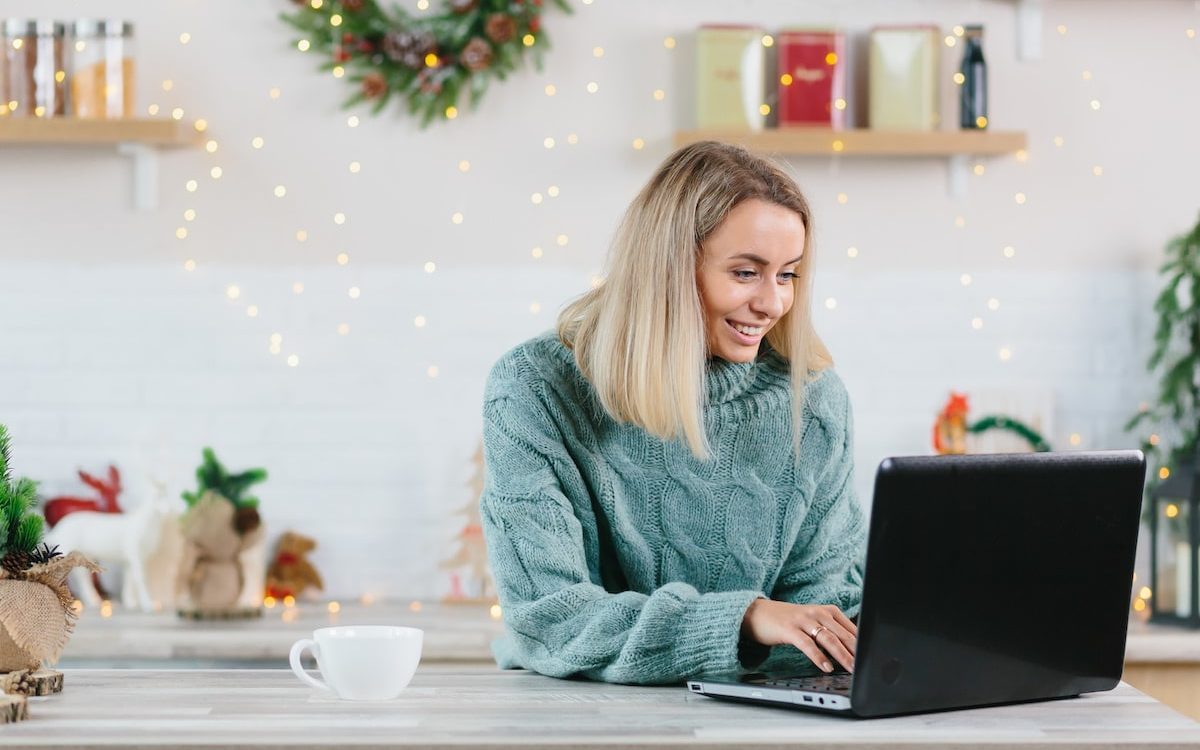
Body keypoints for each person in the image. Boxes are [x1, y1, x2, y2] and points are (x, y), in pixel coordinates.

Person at [479, 140, 865, 685]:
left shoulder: (814, 400)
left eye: (788, 275)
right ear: (670, 267)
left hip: (769, 713)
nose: (774, 303)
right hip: (581, 718)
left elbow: (831, 616)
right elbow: (552, 620)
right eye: (746, 272)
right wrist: (747, 619)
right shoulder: (535, 387)